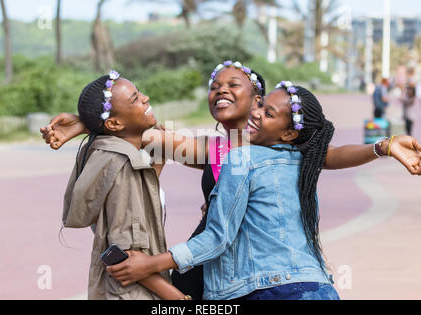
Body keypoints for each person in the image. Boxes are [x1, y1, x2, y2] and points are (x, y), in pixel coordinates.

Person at [41, 61, 421, 300]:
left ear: (258, 100)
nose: (220, 89)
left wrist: (384, 146)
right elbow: (138, 131)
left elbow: (328, 154)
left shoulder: (283, 151)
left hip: (267, 279)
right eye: (215, 85)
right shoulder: (213, 149)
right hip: (216, 276)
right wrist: (83, 121)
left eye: (234, 84)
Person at [104, 82, 343, 300]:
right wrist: (377, 148)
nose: (257, 112)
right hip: (319, 288)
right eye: (260, 106)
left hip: (272, 291)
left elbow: (218, 238)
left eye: (268, 113)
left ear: (289, 134)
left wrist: (149, 264)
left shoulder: (241, 158)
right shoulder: (303, 162)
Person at [61, 70, 188, 300]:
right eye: (135, 98)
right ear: (115, 123)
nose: (146, 98)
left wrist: (159, 159)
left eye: (139, 92)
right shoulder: (123, 166)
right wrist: (178, 299)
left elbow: (140, 201)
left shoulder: (106, 155)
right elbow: (126, 258)